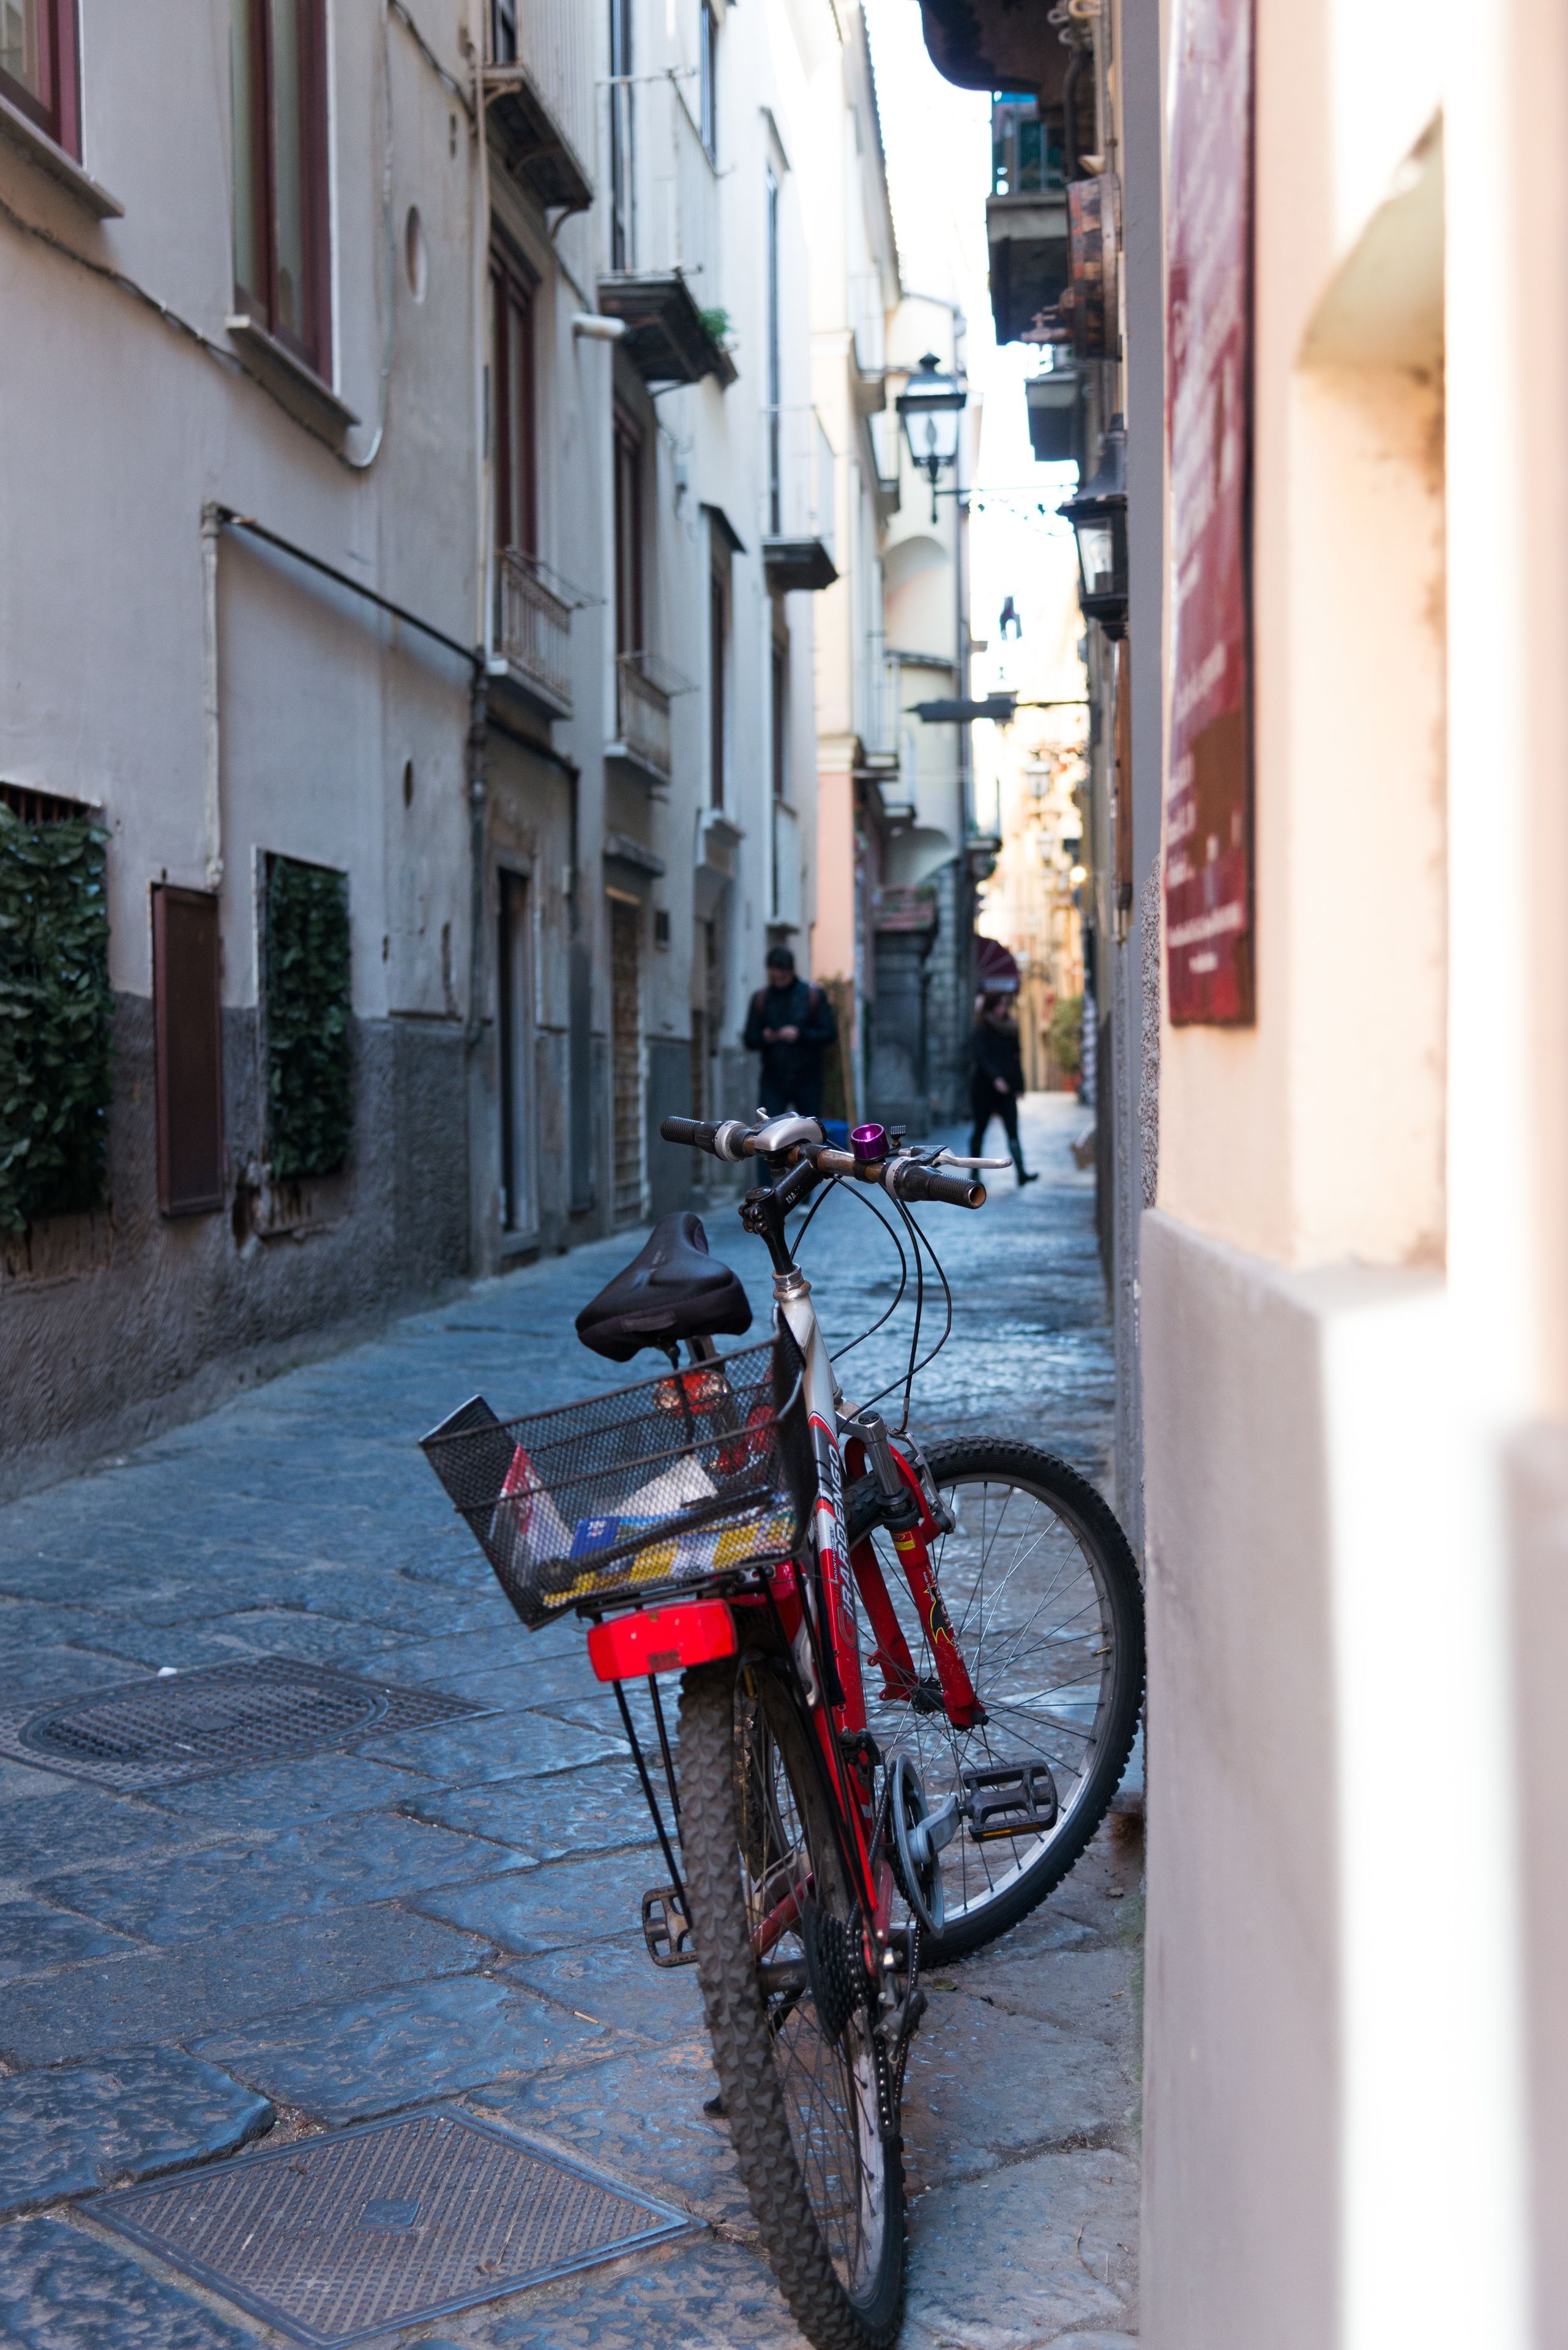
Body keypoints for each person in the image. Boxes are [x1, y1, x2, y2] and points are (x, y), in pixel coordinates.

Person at [743, 944, 838, 1118]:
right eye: (775, 976)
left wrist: (799, 1036)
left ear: (791, 971)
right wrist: (765, 1037)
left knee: (810, 1131)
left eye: (783, 976)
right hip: (773, 1078)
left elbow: (829, 1035)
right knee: (767, 1129)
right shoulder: (762, 998)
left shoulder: (812, 995)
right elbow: (749, 1039)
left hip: (808, 1078)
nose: (779, 980)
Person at [968, 991, 1037, 1184]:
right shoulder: (981, 1029)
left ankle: (1022, 1173)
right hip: (984, 1088)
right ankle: (974, 1173)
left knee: (1012, 1129)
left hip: (1007, 1089)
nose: (1003, 1009)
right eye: (999, 1005)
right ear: (990, 1007)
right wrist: (995, 1078)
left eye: (1005, 1005)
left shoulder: (1011, 1028)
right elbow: (981, 1058)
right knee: (980, 1129)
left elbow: (1016, 1057)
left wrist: (1020, 1085)